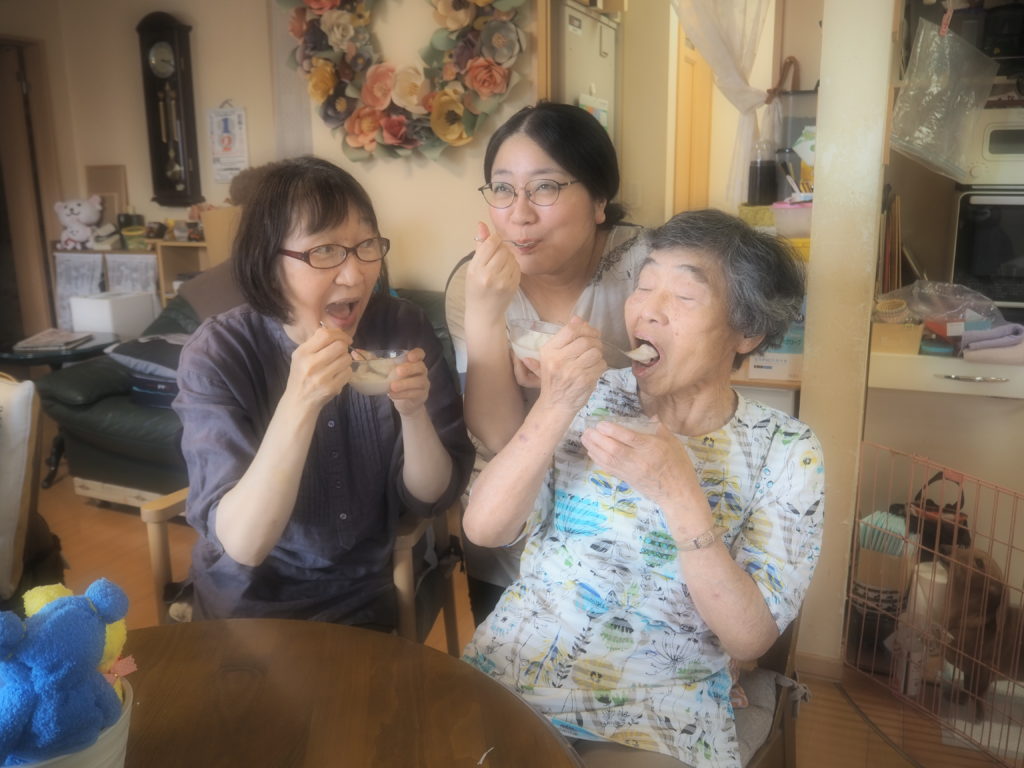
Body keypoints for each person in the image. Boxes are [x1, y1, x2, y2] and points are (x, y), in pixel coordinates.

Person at [461, 209, 825, 768]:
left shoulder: (786, 449)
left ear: (746, 331)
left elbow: (749, 639)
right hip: (511, 673)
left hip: (658, 713)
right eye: (644, 285)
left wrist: (681, 497)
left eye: (684, 296)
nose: (648, 309)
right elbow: (485, 528)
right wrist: (555, 403)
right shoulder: (586, 393)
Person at [173, 156, 474, 626]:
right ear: (268, 262)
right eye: (325, 251)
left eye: (366, 246)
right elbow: (245, 545)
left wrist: (414, 413)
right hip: (249, 604)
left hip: (371, 593)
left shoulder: (402, 327)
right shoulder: (218, 354)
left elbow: (432, 497)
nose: (355, 275)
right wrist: (300, 401)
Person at [445, 101, 649, 623]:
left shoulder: (646, 269)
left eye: (545, 187)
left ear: (599, 200)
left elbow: (678, 401)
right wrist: (486, 315)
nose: (520, 213)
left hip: (631, 529)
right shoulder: (475, 283)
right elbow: (498, 436)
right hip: (513, 527)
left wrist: (578, 380)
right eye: (503, 188)